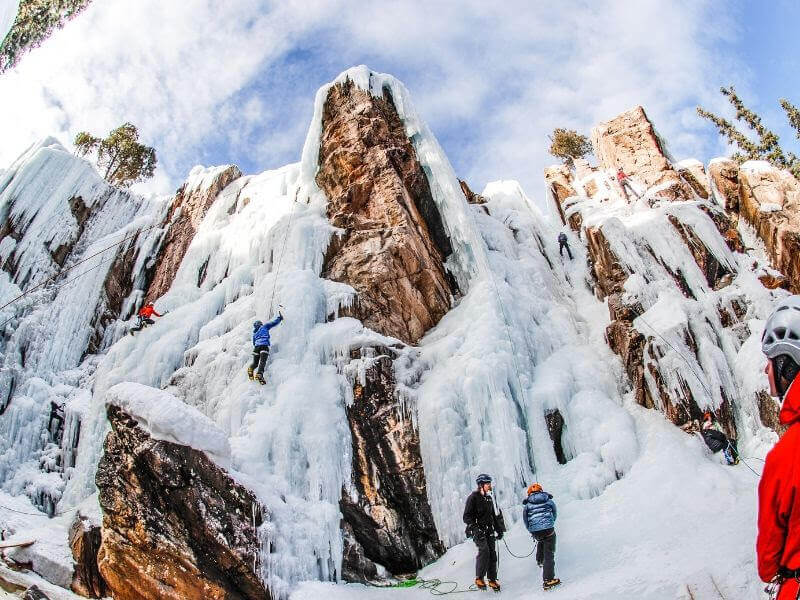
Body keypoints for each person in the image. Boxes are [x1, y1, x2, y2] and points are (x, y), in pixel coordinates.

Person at [757, 295, 800, 599]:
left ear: (787, 366)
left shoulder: (785, 457)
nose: (765, 370)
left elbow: (767, 563)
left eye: (771, 361)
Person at [463, 474, 504, 592]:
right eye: (487, 483)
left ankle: (492, 579)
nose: (489, 485)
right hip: (478, 530)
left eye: (489, 483)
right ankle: (479, 578)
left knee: (492, 553)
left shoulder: (488, 498)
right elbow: (466, 517)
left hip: (489, 530)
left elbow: (493, 516)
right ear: (481, 485)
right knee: (484, 551)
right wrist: (475, 528)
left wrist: (499, 529)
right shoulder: (473, 497)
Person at [523, 483, 561, 590]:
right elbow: (554, 513)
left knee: (541, 539)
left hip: (536, 531)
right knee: (549, 553)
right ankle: (548, 580)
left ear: (529, 493)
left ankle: (540, 560)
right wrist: (550, 523)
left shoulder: (527, 505)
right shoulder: (548, 500)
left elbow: (525, 520)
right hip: (549, 530)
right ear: (541, 491)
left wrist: (531, 530)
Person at [248, 311, 283, 384]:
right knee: (262, 361)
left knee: (255, 363)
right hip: (264, 346)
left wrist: (257, 345)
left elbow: (254, 343)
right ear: (260, 324)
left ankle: (251, 369)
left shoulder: (254, 334)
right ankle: (259, 374)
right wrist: (280, 318)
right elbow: (273, 323)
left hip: (256, 348)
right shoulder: (264, 327)